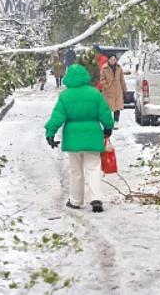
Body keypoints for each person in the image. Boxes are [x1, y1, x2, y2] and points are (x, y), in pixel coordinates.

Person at [45, 64, 114, 213]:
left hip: (73, 138)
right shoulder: (95, 93)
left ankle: (76, 201)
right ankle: (95, 199)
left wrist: (50, 133)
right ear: (85, 76)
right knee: (93, 168)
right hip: (93, 136)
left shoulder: (65, 96)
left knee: (76, 170)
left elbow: (57, 117)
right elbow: (105, 112)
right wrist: (108, 127)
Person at [99, 54, 127, 126]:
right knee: (108, 107)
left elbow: (122, 80)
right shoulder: (104, 68)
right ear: (108, 60)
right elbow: (102, 80)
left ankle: (116, 121)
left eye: (114, 59)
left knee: (117, 107)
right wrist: (106, 86)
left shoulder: (119, 68)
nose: (113, 61)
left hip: (117, 90)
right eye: (111, 59)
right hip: (108, 91)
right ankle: (108, 121)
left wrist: (125, 90)